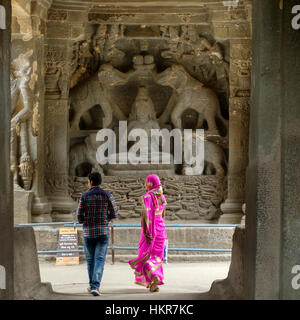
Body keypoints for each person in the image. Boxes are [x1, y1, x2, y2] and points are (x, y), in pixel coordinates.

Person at [76, 172, 118, 296]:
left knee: (90, 260)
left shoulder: (84, 196)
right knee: (99, 259)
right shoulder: (107, 195)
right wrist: (106, 219)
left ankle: (92, 285)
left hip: (88, 232)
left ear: (91, 182)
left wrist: (84, 221)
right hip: (103, 231)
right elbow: (114, 212)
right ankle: (95, 286)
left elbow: (79, 215)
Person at [128, 174, 167, 292]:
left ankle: (153, 277)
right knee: (157, 256)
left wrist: (146, 233)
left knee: (145, 255)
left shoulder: (147, 197)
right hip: (161, 231)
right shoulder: (162, 197)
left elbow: (145, 216)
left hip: (151, 231)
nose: (145, 185)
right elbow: (163, 215)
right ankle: (154, 281)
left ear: (150, 183)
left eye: (146, 183)